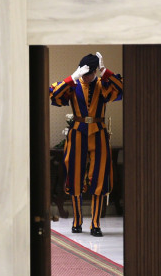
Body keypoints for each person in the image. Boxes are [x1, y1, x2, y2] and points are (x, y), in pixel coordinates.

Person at [49, 52, 123, 237]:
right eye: (84, 73)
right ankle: (77, 221)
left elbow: (122, 89)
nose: (86, 77)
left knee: (99, 177)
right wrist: (70, 78)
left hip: (98, 132)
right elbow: (53, 95)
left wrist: (106, 73)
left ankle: (96, 223)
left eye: (90, 73)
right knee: (74, 176)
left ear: (95, 72)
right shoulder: (73, 86)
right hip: (77, 133)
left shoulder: (103, 84)